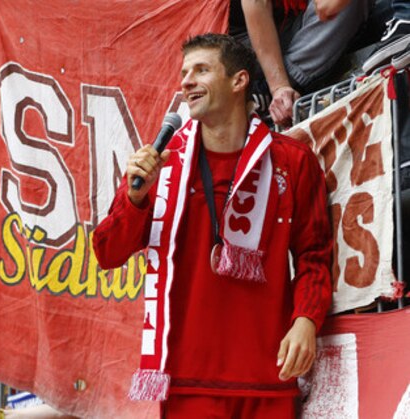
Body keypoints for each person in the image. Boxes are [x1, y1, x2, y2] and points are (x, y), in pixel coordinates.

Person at [92, 34, 332, 418]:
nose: (186, 81)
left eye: (201, 70)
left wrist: (306, 319)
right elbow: (107, 252)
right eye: (184, 72)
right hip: (190, 383)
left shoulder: (293, 160)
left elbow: (314, 256)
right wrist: (134, 198)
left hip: (270, 377)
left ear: (238, 82)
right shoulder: (160, 165)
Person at [231, 0, 372, 126]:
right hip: (248, 44)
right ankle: (272, 89)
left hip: (302, 27)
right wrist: (278, 86)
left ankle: (277, 89)